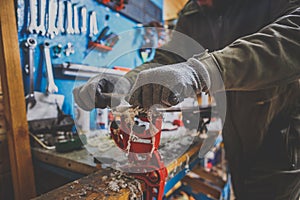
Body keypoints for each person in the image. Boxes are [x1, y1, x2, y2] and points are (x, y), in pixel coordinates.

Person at [73, 0, 300, 199]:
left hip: (282, 135)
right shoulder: (193, 12)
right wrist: (127, 83)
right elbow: (168, 58)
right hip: (237, 135)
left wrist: (204, 71)